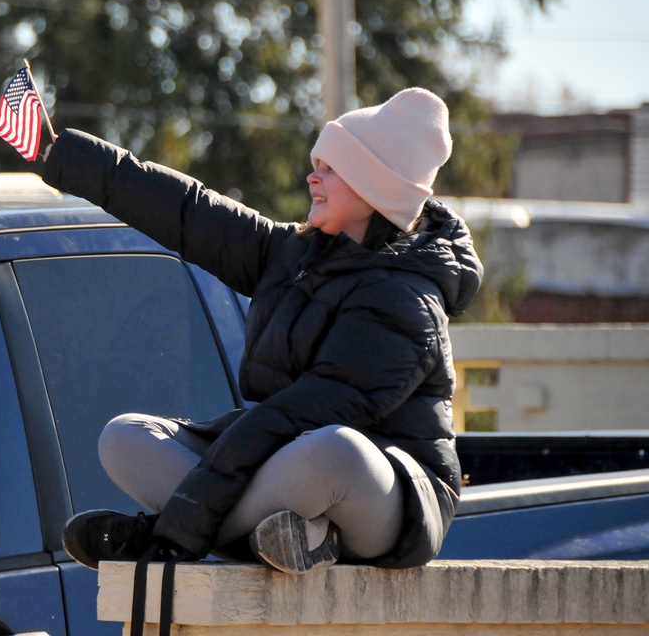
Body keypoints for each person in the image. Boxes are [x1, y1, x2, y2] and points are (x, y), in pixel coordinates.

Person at [44, 88, 483, 573]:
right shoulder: (293, 253)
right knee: (124, 437)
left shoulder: (406, 303)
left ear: (376, 188)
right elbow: (188, 210)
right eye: (318, 163)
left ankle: (168, 533)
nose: (313, 176)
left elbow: (295, 417)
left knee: (333, 450)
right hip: (285, 460)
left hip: (383, 495)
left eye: (332, 168)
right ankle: (295, 537)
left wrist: (176, 530)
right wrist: (62, 155)